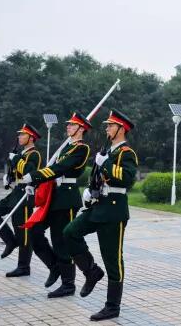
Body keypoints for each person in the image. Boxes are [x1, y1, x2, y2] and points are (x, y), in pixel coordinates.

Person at [63, 109, 138, 321]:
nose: (107, 128)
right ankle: (91, 272)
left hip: (114, 210)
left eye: (111, 125)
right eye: (107, 125)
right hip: (98, 206)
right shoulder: (107, 150)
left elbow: (127, 178)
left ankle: (112, 306)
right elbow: (97, 177)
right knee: (70, 233)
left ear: (121, 129)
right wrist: (90, 191)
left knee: (112, 259)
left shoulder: (127, 153)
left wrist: (106, 163)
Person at [23, 112, 92, 297]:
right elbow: (53, 170)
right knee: (35, 231)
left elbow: (60, 168)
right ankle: (54, 267)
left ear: (81, 129)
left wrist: (35, 175)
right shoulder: (66, 147)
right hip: (54, 196)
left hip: (67, 198)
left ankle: (68, 285)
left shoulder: (82, 148)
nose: (68, 126)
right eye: (68, 124)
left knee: (60, 241)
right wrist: (35, 183)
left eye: (72, 125)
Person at [0, 123, 55, 279]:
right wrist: (8, 178)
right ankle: (10, 241)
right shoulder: (22, 153)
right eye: (20, 134)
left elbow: (31, 171)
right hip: (16, 192)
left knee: (23, 232)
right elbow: (17, 173)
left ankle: (24, 266)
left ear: (31, 138)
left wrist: (16, 159)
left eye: (23, 135)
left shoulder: (35, 154)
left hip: (26, 195)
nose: (19, 137)